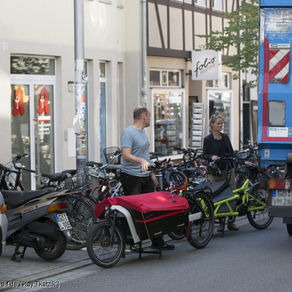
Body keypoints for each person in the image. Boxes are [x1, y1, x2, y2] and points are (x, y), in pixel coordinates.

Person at [120, 106, 175, 250]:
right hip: (132, 177)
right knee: (133, 211)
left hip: (145, 176)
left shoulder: (143, 132)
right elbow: (126, 155)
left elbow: (145, 155)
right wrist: (141, 162)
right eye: (149, 116)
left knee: (153, 208)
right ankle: (134, 243)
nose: (150, 119)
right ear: (143, 116)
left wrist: (151, 173)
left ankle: (157, 242)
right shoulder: (128, 132)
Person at [203, 113, 238, 232]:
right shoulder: (208, 139)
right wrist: (211, 157)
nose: (220, 125)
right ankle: (221, 223)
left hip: (228, 168)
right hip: (215, 171)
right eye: (218, 123)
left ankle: (231, 221)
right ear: (212, 125)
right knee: (219, 196)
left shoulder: (225, 137)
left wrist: (234, 159)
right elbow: (204, 155)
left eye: (221, 123)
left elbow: (231, 152)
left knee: (231, 194)